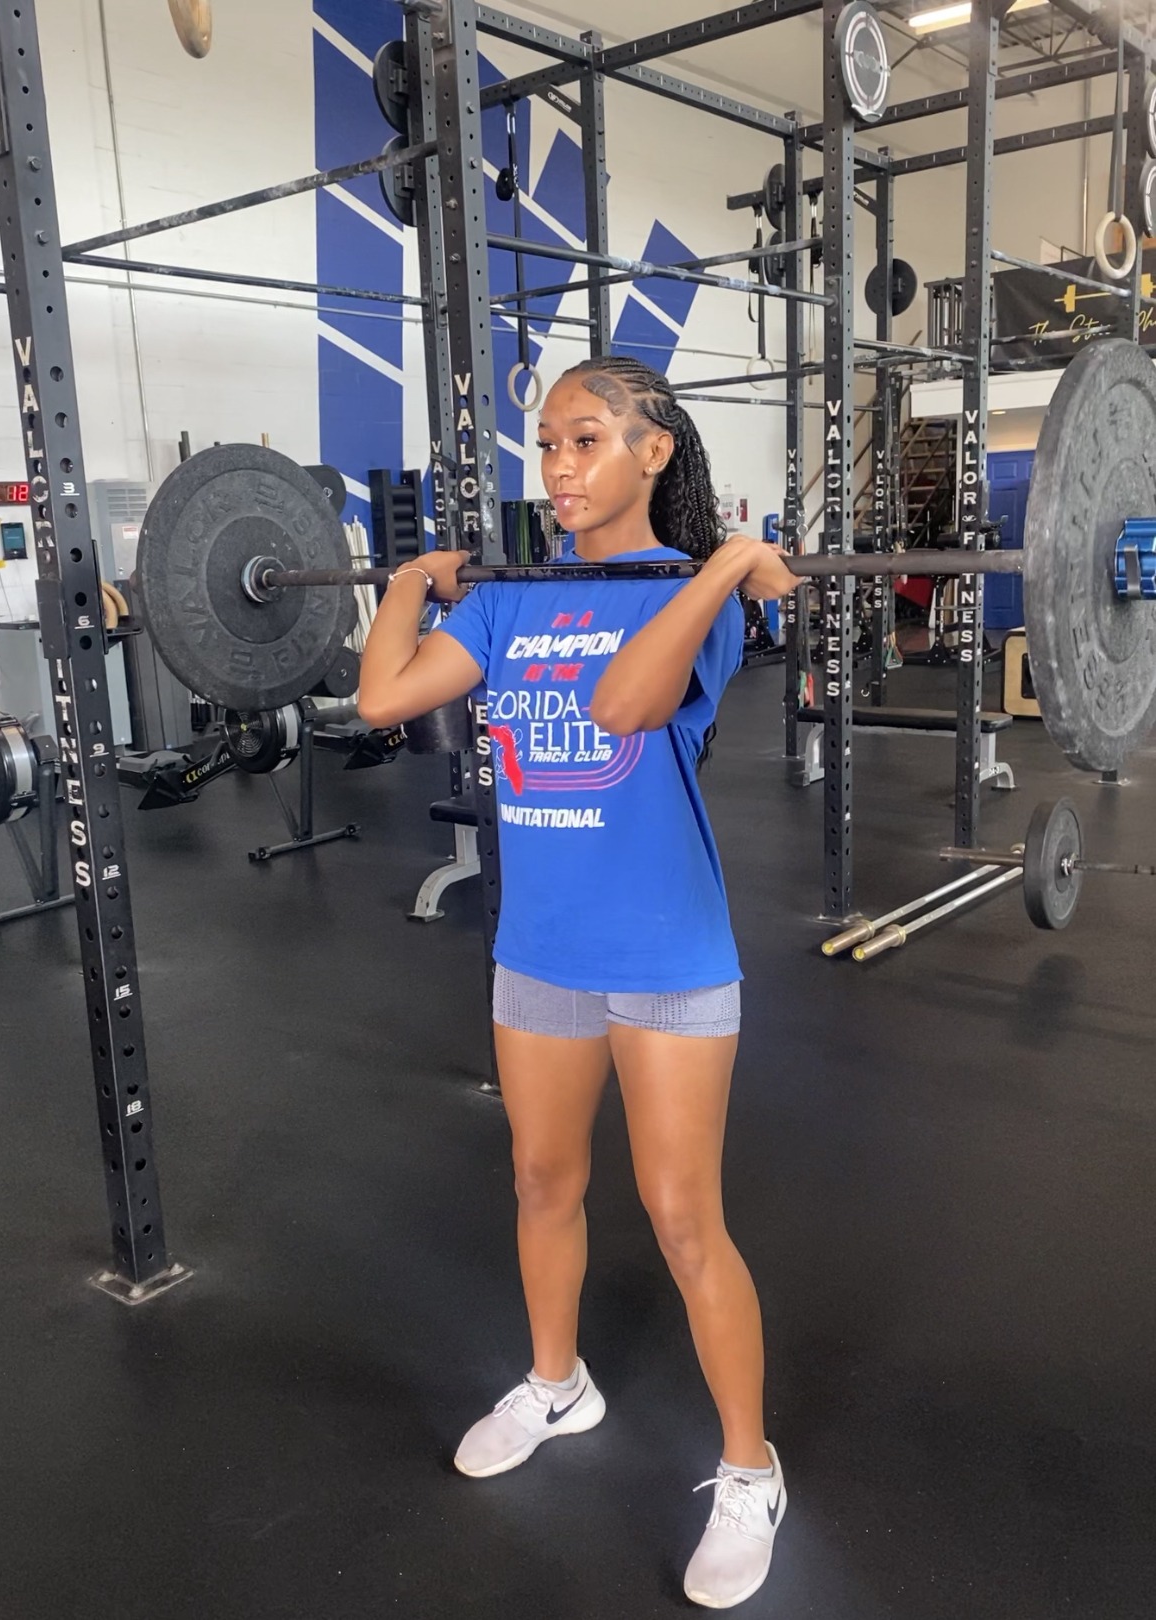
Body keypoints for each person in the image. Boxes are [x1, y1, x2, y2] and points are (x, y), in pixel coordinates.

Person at [359, 355, 801, 1610]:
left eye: (586, 439)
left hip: (666, 948)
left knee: (682, 1216)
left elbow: (621, 706)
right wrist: (411, 582)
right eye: (547, 444)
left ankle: (751, 1469)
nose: (557, 466)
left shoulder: (697, 597)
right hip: (541, 946)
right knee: (542, 1180)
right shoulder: (511, 603)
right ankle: (558, 1385)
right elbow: (384, 695)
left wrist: (720, 566)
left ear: (653, 451)